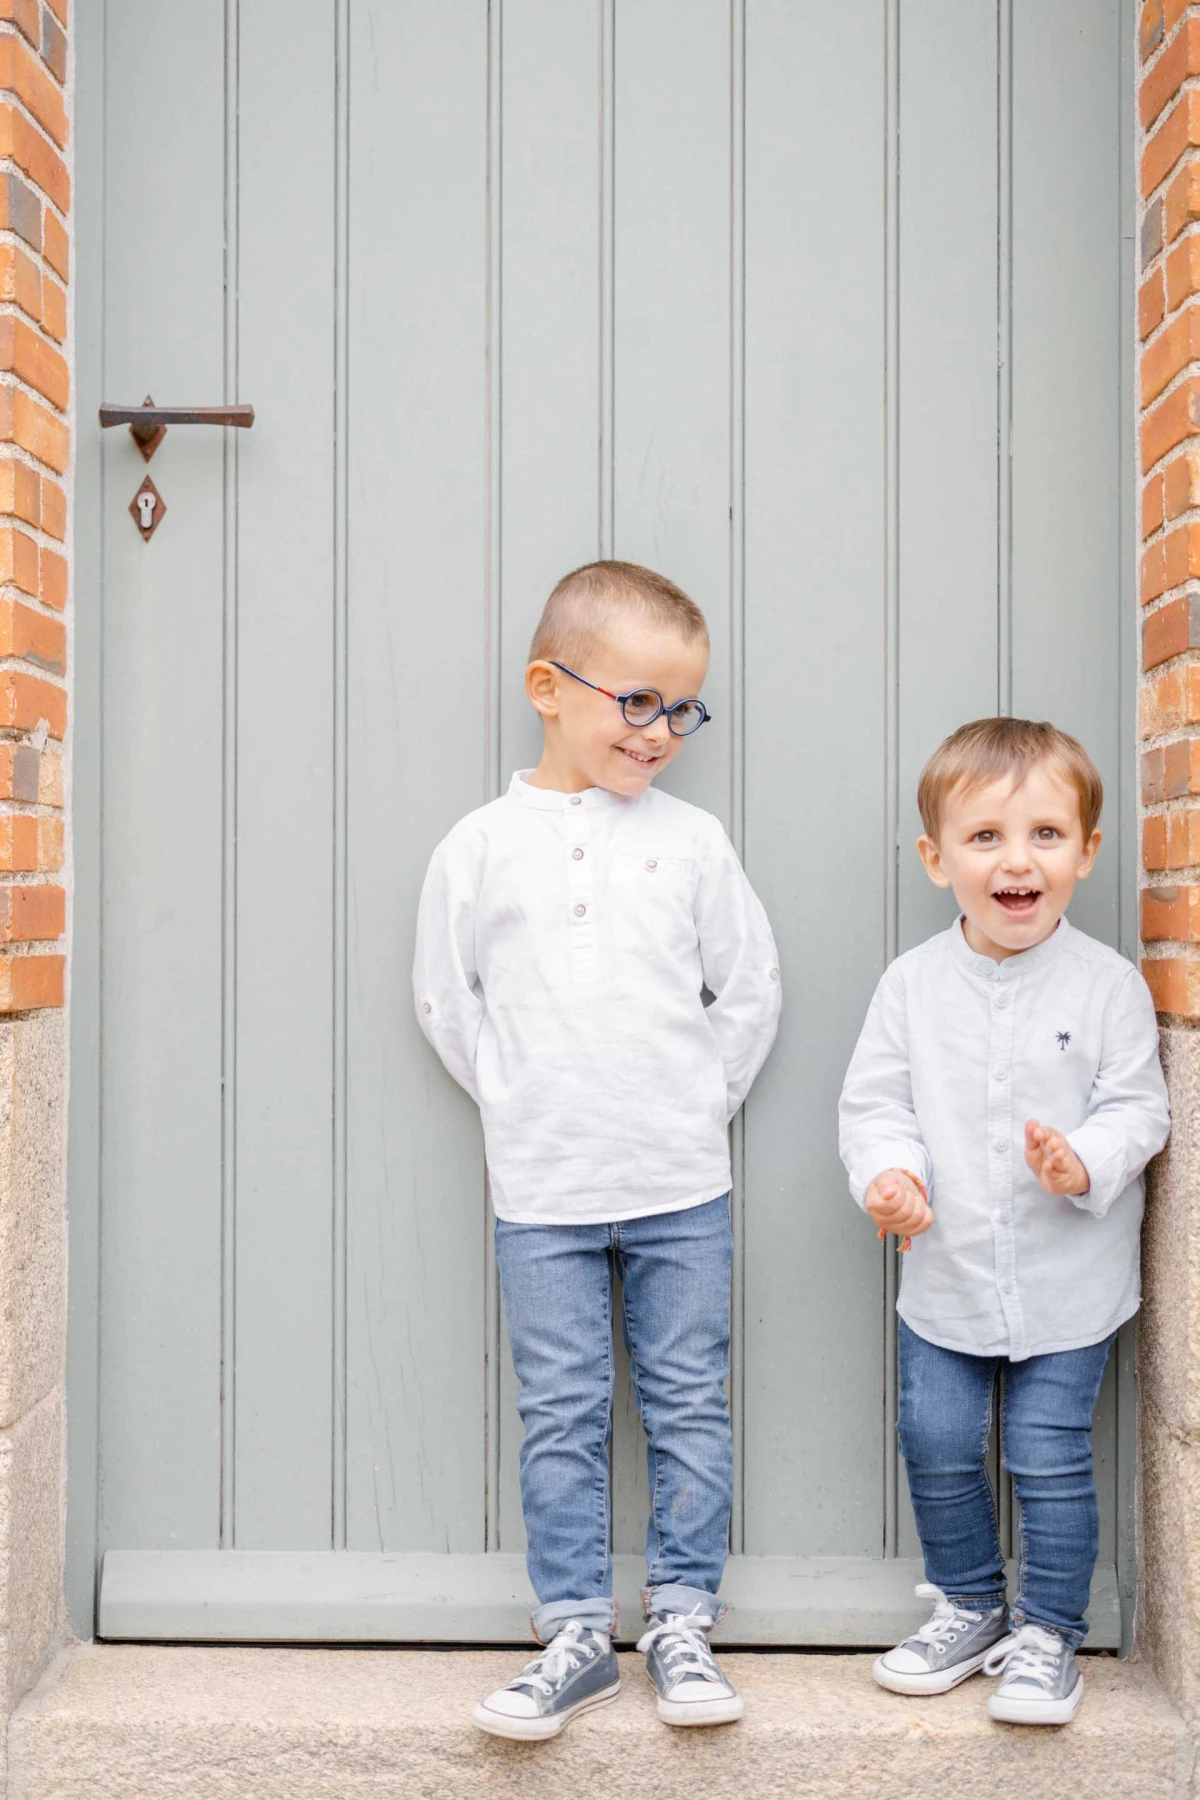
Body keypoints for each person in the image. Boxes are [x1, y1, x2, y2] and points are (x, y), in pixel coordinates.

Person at [414, 560, 781, 1739]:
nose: (662, 730)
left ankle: (681, 1619)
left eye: (682, 707)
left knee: (686, 1403)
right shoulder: (480, 846)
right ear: (547, 687)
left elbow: (751, 991)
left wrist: (686, 1103)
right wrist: (524, 1101)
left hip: (682, 1186)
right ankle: (575, 1630)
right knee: (562, 1410)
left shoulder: (693, 842)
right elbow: (445, 999)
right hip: (543, 1192)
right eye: (638, 702)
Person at [839, 717, 1169, 1726]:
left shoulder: (1109, 984)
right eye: (984, 838)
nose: (1016, 860)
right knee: (935, 1438)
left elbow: (1138, 1107)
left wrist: (1084, 1161)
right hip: (947, 1270)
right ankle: (973, 1601)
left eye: (1044, 835)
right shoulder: (910, 986)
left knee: (1046, 1449)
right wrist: (890, 1179)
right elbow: (876, 1105)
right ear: (938, 860)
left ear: (1087, 851)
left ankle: (1050, 1631)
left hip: (1070, 1278)